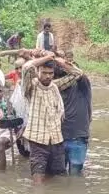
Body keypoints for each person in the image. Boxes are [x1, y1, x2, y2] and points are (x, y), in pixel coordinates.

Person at [21, 51, 83, 184]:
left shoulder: (55, 86)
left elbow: (77, 73)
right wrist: (47, 57)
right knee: (38, 181)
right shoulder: (31, 87)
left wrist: (57, 60)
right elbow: (26, 68)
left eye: (51, 73)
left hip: (56, 141)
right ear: (38, 72)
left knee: (59, 178)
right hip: (38, 142)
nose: (48, 76)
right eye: (44, 73)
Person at [55, 50, 92, 175]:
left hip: (78, 138)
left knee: (75, 176)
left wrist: (57, 59)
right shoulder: (55, 88)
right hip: (59, 138)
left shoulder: (83, 83)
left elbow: (79, 73)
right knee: (59, 176)